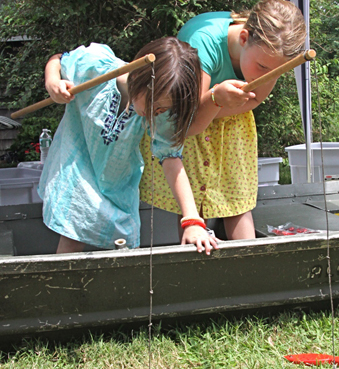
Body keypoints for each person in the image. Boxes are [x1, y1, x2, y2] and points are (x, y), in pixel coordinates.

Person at [139, 0, 307, 240]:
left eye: (276, 72)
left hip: (229, 113)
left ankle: (247, 265)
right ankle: (196, 263)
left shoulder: (271, 54)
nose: (268, 76)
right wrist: (217, 100)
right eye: (261, 67)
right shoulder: (203, 42)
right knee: (194, 201)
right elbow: (191, 119)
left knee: (238, 202)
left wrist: (220, 103)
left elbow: (255, 99)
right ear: (243, 38)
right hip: (191, 118)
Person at [38, 38, 219, 254]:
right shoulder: (95, 66)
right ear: (142, 78)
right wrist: (52, 82)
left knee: (125, 246)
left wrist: (192, 221)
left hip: (117, 183)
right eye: (156, 106)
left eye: (162, 110)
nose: (155, 114)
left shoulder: (161, 108)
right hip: (77, 167)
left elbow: (170, 157)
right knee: (72, 237)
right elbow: (58, 59)